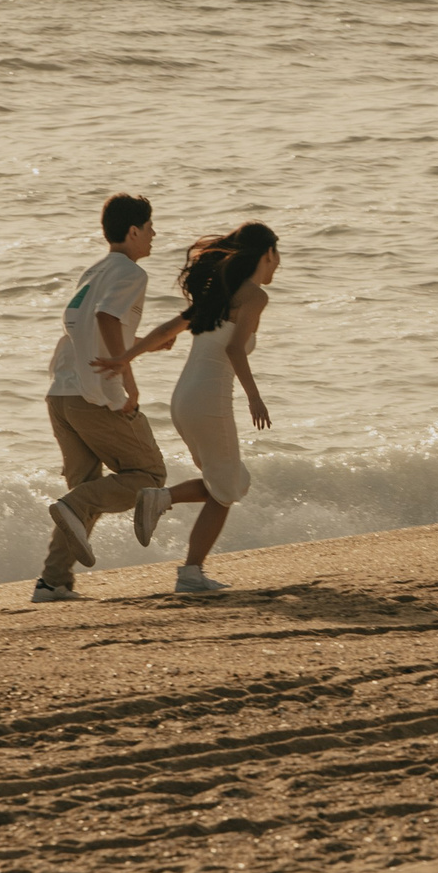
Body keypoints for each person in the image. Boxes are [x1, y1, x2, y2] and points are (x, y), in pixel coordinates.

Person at [97, 221, 277, 595]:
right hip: (210, 402)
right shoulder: (254, 297)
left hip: (184, 402)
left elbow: (166, 330)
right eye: (277, 256)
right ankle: (189, 569)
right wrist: (254, 396)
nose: (278, 265)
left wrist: (125, 357)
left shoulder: (216, 293)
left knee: (229, 482)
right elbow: (233, 349)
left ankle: (167, 507)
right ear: (266, 254)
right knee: (226, 490)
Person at [34, 193, 165, 603]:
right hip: (94, 395)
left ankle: (53, 582)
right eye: (149, 227)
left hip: (62, 394)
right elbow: (107, 318)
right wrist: (129, 376)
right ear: (132, 231)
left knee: (85, 491)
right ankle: (71, 507)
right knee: (150, 478)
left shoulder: (94, 269)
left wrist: (140, 345)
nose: (154, 235)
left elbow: (89, 326)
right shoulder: (130, 272)